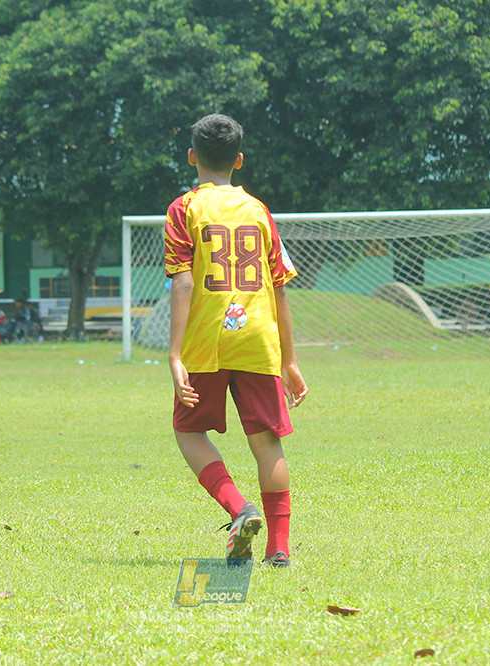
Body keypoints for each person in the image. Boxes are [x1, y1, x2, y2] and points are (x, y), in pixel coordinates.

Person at [165, 113, 308, 568]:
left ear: (192, 157)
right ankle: (279, 549)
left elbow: (183, 283)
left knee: (188, 430)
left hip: (207, 339)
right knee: (267, 442)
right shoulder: (259, 210)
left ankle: (239, 508)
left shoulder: (184, 208)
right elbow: (280, 288)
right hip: (257, 338)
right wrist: (289, 360)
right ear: (239, 160)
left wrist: (174, 354)